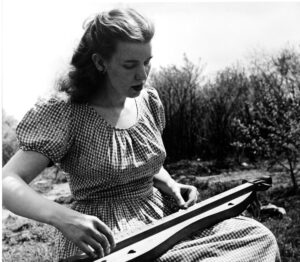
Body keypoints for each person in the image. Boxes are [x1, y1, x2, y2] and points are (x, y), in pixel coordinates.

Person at [2, 8, 281, 262]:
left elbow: (141, 162)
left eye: (147, 62)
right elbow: (7, 181)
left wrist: (170, 184)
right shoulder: (67, 112)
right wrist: (63, 217)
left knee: (257, 238)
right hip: (107, 235)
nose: (142, 74)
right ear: (100, 62)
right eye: (129, 65)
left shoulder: (148, 102)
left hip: (163, 217)